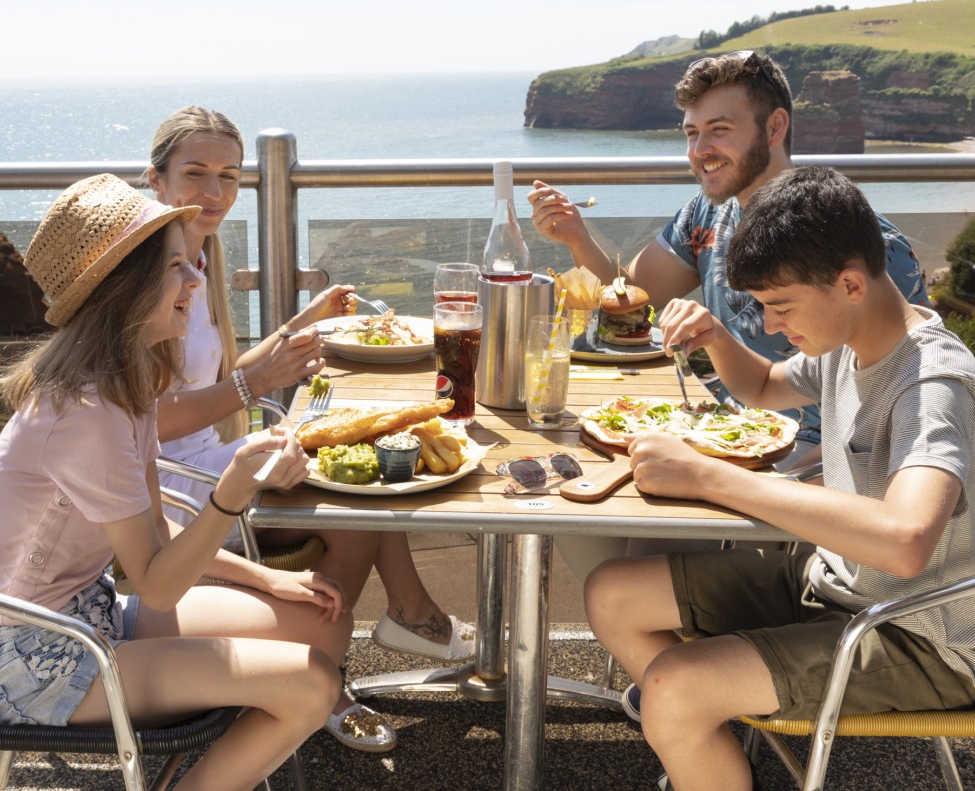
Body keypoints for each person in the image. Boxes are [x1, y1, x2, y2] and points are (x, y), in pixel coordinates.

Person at [585, 165, 975, 791]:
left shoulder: (932, 381)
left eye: (780, 306)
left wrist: (709, 478)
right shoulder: (852, 340)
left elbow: (906, 541)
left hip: (921, 634)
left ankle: (690, 723)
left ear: (850, 283)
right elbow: (764, 387)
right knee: (614, 593)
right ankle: (706, 754)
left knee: (674, 687)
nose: (769, 325)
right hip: (840, 583)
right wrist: (713, 334)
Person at [0, 174, 351, 789]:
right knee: (311, 682)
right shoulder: (87, 414)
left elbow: (160, 539)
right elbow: (159, 586)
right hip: (33, 658)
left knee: (321, 621)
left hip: (87, 615)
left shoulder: (122, 380)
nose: (195, 281)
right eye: (176, 269)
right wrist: (230, 493)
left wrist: (269, 577)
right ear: (125, 290)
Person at [527, 52, 926, 588]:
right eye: (691, 133)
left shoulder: (869, 254)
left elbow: (908, 399)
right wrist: (577, 237)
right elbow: (631, 298)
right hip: (722, 426)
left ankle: (686, 649)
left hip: (806, 464)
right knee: (564, 491)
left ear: (776, 126)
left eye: (718, 130)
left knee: (628, 536)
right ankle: (673, 651)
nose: (699, 152)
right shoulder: (707, 212)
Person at [146, 106, 475, 751]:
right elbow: (144, 422)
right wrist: (254, 385)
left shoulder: (200, 253)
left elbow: (216, 374)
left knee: (359, 457)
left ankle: (374, 636)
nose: (214, 193)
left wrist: (304, 324)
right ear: (155, 181)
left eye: (228, 176)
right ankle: (343, 666)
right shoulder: (144, 272)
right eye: (195, 174)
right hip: (172, 487)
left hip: (214, 457)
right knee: (345, 501)